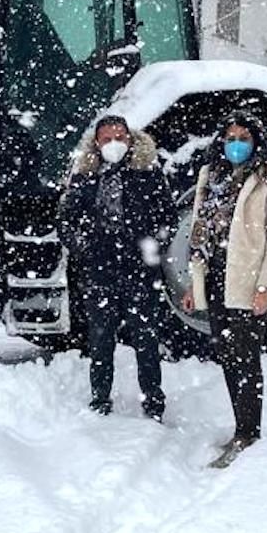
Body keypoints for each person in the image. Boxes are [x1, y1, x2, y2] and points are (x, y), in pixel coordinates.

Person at [182, 111, 267, 468]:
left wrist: (266, 285)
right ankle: (239, 427)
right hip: (215, 277)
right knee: (228, 356)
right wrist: (193, 282)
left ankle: (249, 430)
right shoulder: (209, 175)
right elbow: (199, 231)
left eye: (244, 138)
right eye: (230, 138)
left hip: (246, 280)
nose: (236, 144)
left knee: (246, 356)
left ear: (256, 142)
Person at [58, 114, 177, 420]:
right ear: (96, 143)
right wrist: (84, 248)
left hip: (140, 272)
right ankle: (100, 399)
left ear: (130, 139)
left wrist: (152, 248)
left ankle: (153, 402)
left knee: (146, 340)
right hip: (100, 272)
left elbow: (168, 219)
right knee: (100, 340)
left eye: (120, 137)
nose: (114, 144)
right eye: (107, 139)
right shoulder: (85, 177)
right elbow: (66, 220)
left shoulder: (148, 174)